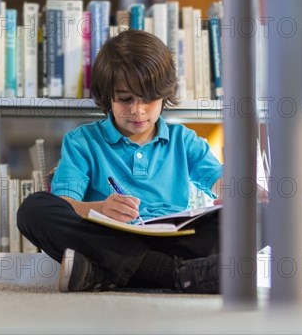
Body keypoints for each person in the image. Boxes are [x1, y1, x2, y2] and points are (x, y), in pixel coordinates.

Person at [17, 29, 223, 293]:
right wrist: (100, 208)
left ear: (163, 95)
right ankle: (175, 275)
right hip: (108, 239)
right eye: (125, 99)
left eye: (148, 98)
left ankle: (100, 274)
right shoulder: (82, 141)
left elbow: (218, 179)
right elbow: (64, 204)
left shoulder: (184, 140)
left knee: (255, 213)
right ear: (107, 96)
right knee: (34, 209)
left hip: (174, 241)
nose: (137, 110)